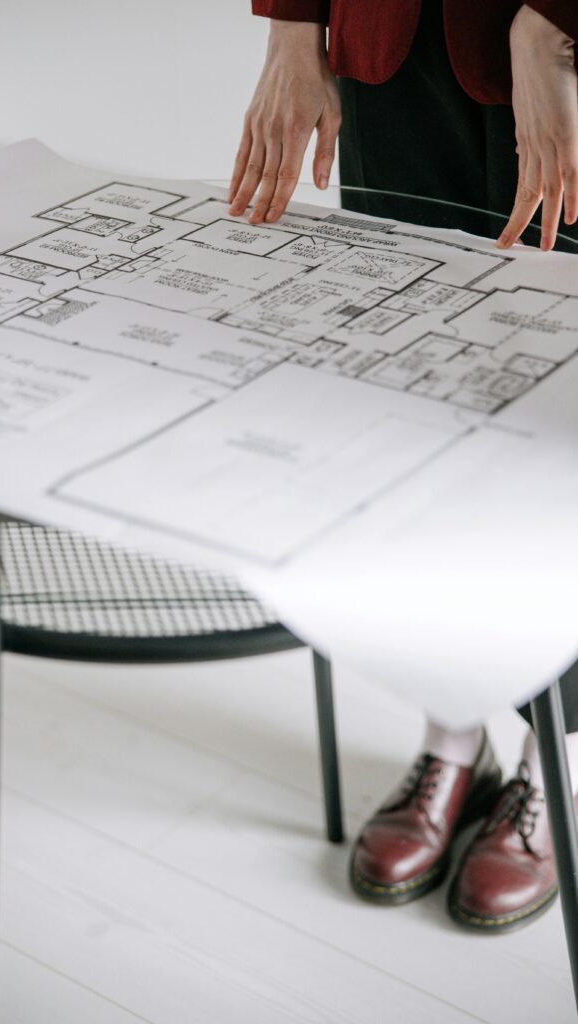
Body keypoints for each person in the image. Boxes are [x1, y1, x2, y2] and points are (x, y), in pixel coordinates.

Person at [229, 0, 578, 933]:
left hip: (559, 43)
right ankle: (451, 731)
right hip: (389, 41)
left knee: (563, 434)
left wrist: (551, 25)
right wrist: (292, 30)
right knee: (424, 412)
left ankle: (554, 771)